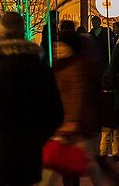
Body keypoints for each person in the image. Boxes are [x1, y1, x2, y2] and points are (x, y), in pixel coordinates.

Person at [0, 11, 64, 186]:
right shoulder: (39, 68)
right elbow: (55, 113)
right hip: (27, 153)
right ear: (23, 32)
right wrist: (36, 140)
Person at [44, 29, 104, 185]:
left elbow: (77, 96)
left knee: (64, 163)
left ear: (70, 47)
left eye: (61, 46)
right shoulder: (62, 66)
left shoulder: (73, 67)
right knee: (77, 163)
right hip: (67, 123)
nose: (57, 49)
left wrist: (71, 122)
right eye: (56, 45)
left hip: (73, 125)